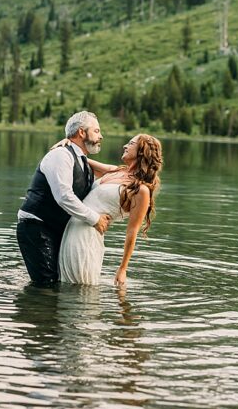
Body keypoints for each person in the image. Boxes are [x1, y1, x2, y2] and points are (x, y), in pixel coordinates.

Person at [16, 111, 111, 286]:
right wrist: (95, 219)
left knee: (60, 281)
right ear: (81, 132)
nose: (101, 136)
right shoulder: (60, 155)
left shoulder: (82, 162)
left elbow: (117, 172)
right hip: (36, 226)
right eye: (96, 131)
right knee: (47, 284)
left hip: (58, 229)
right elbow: (64, 197)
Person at [59, 134, 162, 286]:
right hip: (72, 229)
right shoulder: (116, 171)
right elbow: (79, 159)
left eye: (131, 143)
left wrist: (123, 268)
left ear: (141, 151)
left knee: (79, 289)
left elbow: (132, 232)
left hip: (87, 235)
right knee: (68, 287)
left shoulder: (141, 190)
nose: (125, 146)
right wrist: (68, 145)